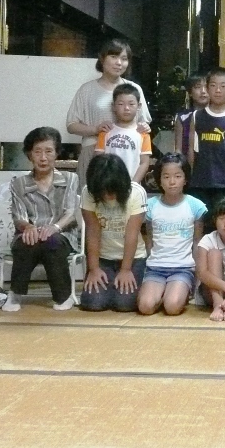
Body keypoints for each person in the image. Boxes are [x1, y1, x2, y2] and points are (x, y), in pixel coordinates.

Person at [3, 126, 80, 312]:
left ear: (57, 153)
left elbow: (71, 213)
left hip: (61, 234)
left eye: (48, 151)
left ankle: (63, 296)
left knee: (51, 242)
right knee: (27, 242)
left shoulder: (70, 179)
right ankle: (15, 294)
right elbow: (18, 216)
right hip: (30, 234)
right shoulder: (19, 183)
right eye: (37, 152)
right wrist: (28, 228)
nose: (43, 158)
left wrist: (54, 228)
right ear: (29, 154)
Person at [66, 38, 151, 188]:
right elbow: (71, 125)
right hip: (93, 150)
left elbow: (143, 122)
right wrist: (96, 129)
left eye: (124, 58)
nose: (119, 63)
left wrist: (144, 126)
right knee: (91, 198)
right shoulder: (87, 89)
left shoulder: (133, 88)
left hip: (127, 152)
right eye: (113, 56)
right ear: (102, 58)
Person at [137, 152, 206, 316]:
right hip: (155, 268)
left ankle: (177, 292)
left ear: (185, 179)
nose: (172, 182)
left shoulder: (196, 206)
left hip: (183, 268)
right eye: (166, 177)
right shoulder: (150, 205)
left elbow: (197, 242)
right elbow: (149, 239)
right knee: (145, 307)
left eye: (178, 176)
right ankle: (161, 293)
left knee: (172, 307)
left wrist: (198, 276)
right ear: (159, 180)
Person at [79, 153, 148, 312]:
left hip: (133, 259)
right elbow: (92, 231)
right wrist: (94, 269)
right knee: (93, 303)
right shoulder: (88, 192)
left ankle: (120, 288)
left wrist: (125, 270)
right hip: (103, 258)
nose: (108, 195)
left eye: (112, 190)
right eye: (103, 191)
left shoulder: (136, 193)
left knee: (124, 304)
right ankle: (109, 287)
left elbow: (132, 234)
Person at [187, 67, 225, 217]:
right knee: (200, 221)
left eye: (223, 86)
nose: (218, 90)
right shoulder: (197, 116)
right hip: (200, 182)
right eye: (213, 85)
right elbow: (191, 150)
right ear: (207, 88)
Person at [94, 84, 151, 184]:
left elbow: (144, 163)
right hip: (107, 184)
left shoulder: (143, 134)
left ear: (139, 106)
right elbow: (98, 159)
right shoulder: (106, 131)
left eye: (131, 104)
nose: (126, 108)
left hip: (131, 184)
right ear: (113, 106)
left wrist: (133, 184)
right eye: (121, 104)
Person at [173, 72, 208, 158]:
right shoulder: (182, 117)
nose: (203, 91)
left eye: (206, 87)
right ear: (190, 92)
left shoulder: (218, 115)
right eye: (198, 87)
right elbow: (178, 149)